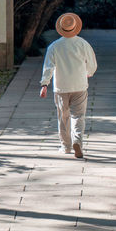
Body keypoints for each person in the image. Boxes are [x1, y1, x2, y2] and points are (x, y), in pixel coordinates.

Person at [39, 12, 97, 159]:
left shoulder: (54, 46)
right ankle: (77, 141)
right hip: (79, 85)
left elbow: (48, 67)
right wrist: (88, 72)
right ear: (76, 27)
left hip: (61, 87)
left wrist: (45, 84)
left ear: (60, 28)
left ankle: (66, 146)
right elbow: (92, 64)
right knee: (78, 116)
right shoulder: (83, 44)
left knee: (63, 117)